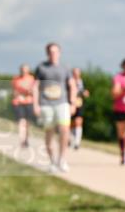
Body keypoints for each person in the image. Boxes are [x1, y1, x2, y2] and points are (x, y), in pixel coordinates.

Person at [32, 42, 76, 173]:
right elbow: (35, 86)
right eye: (51, 52)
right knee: (49, 133)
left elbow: (72, 85)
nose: (53, 54)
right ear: (47, 53)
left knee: (64, 130)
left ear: (60, 53)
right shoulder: (41, 68)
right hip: (46, 104)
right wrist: (35, 104)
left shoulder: (65, 68)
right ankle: (52, 161)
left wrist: (72, 103)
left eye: (55, 51)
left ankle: (62, 159)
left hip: (62, 103)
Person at [11, 64, 36, 147]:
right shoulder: (16, 79)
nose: (23, 71)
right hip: (18, 103)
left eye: (25, 70)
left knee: (27, 123)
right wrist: (20, 93)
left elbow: (34, 91)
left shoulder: (32, 79)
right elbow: (14, 92)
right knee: (21, 122)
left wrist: (27, 92)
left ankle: (26, 139)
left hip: (29, 102)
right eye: (22, 70)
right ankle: (22, 140)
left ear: (28, 70)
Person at [70, 67, 90, 150]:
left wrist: (85, 93)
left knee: (78, 122)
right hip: (70, 104)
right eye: (75, 73)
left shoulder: (82, 82)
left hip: (79, 104)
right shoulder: (69, 81)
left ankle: (77, 142)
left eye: (77, 73)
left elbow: (86, 92)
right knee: (70, 123)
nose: (76, 74)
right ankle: (71, 139)